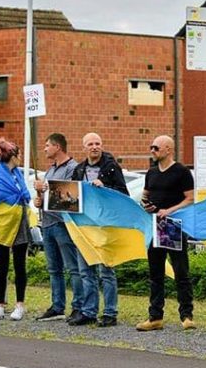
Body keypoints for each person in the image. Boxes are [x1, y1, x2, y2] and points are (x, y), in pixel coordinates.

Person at [137, 135, 195, 331]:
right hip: (154, 225)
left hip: (173, 225)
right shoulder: (151, 173)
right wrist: (146, 205)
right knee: (155, 273)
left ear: (168, 149)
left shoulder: (182, 172)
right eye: (151, 147)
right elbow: (145, 194)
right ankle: (155, 316)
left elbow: (190, 199)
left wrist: (169, 211)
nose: (152, 151)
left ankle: (186, 315)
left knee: (180, 271)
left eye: (156, 148)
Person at [71, 132, 129, 327]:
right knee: (86, 271)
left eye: (97, 143)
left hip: (105, 226)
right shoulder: (79, 170)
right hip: (84, 226)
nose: (94, 147)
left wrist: (105, 187)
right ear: (84, 147)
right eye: (90, 144)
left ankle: (110, 312)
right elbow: (71, 197)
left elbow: (124, 194)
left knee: (106, 271)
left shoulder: (111, 168)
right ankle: (88, 311)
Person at [33, 133, 84, 322]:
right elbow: (48, 198)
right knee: (54, 269)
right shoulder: (50, 170)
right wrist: (40, 200)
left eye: (47, 145)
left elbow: (71, 197)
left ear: (58, 147)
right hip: (47, 223)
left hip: (63, 224)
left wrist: (46, 190)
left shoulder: (72, 168)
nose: (45, 149)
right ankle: (57, 305)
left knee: (72, 267)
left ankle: (78, 305)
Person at [0, 138, 34, 321]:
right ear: (13, 156)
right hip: (2, 226)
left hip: (20, 223)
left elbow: (23, 196)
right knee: (2, 265)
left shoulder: (18, 174)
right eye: (19, 155)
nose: (20, 158)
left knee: (20, 265)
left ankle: (20, 304)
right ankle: (0, 305)